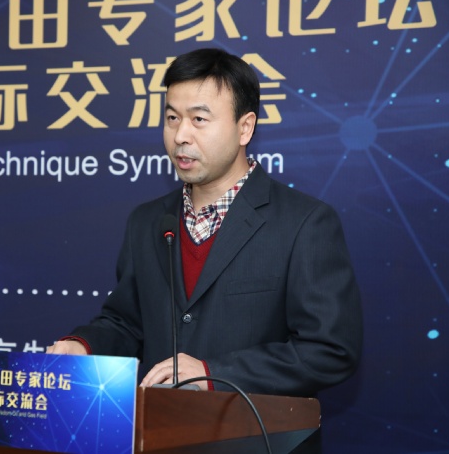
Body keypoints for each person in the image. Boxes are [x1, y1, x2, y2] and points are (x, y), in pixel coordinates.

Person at [47, 48, 362, 449]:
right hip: (158, 439)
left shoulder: (304, 223)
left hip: (257, 442)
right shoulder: (148, 221)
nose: (181, 136)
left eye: (199, 119)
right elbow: (127, 323)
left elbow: (330, 349)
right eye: (172, 118)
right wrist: (84, 345)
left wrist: (212, 374)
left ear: (245, 128)